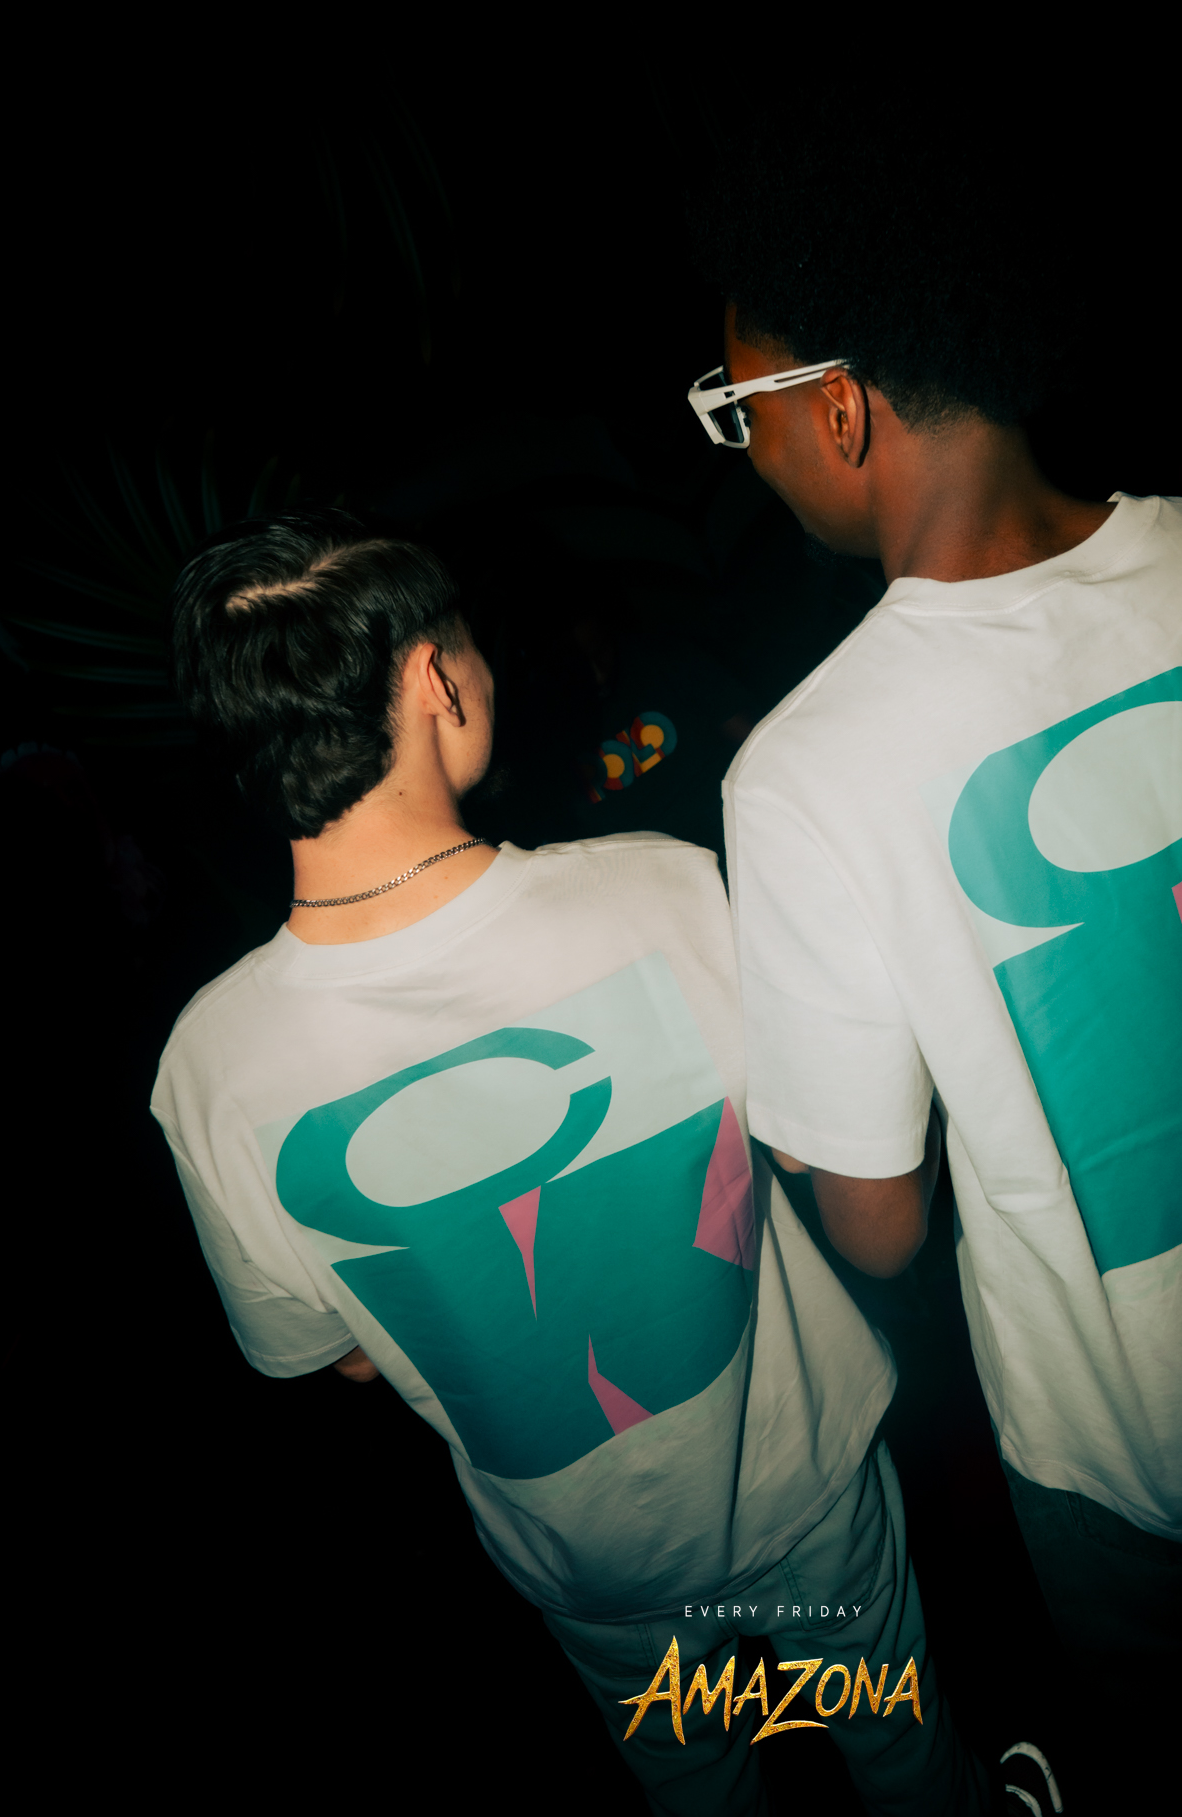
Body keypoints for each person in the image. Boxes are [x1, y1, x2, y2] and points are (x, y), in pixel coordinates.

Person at [692, 103, 1182, 1810]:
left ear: (841, 408)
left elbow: (879, 1224)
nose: (743, 448)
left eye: (739, 407)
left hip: (1149, 1486)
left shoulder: (808, 774)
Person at [152, 512, 992, 1817]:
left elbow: (344, 1355)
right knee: (897, 1746)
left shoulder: (212, 1066)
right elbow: (807, 1141)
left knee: (701, 1787)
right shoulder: (666, 892)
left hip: (596, 1574)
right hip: (799, 1491)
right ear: (435, 681)